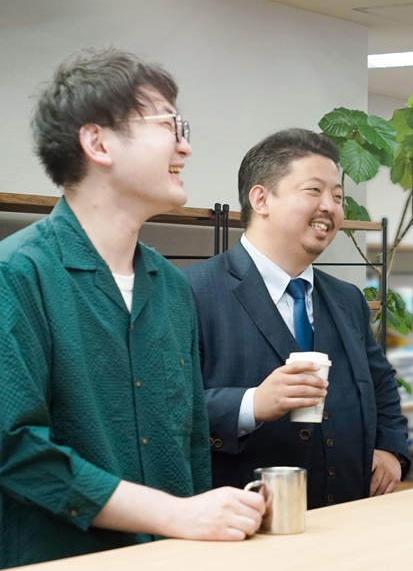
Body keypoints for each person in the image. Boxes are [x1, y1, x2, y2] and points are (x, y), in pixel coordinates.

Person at [0, 48, 265, 568]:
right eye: (170, 124)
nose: (185, 147)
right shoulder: (18, 274)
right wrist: (174, 515)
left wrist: (206, 519)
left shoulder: (168, 285)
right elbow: (18, 453)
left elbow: (189, 443)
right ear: (97, 141)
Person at [182, 129, 409, 509]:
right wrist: (253, 403)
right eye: (314, 191)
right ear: (261, 199)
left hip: (349, 518)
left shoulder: (346, 298)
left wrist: (390, 448)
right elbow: (167, 407)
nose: (331, 207)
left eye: (338, 197)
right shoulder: (189, 291)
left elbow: (381, 382)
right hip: (245, 525)